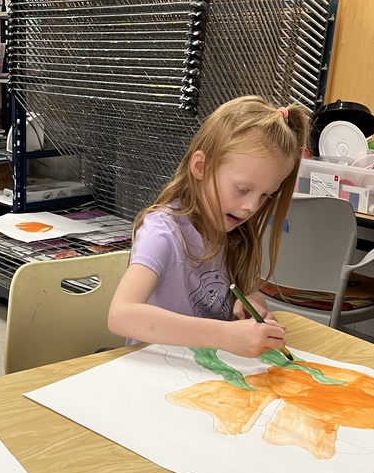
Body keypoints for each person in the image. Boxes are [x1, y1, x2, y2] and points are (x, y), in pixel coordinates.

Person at [108, 96, 311, 358]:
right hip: (156, 368)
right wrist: (225, 334)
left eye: (265, 195)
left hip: (208, 368)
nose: (252, 206)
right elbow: (121, 315)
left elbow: (245, 291)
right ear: (201, 167)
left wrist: (252, 305)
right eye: (242, 189)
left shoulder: (235, 233)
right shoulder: (163, 232)